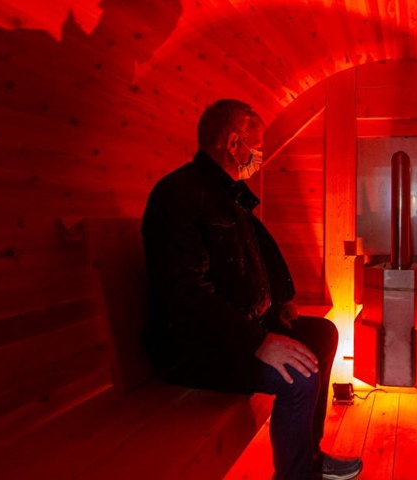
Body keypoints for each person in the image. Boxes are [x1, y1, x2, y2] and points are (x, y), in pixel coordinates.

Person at [141, 99, 363, 480]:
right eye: (255, 146)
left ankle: (308, 456)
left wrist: (278, 306)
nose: (258, 155)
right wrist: (258, 340)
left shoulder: (227, 195)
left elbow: (252, 259)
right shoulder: (178, 196)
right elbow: (186, 295)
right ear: (232, 143)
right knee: (301, 375)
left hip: (237, 329)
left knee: (323, 333)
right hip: (195, 347)